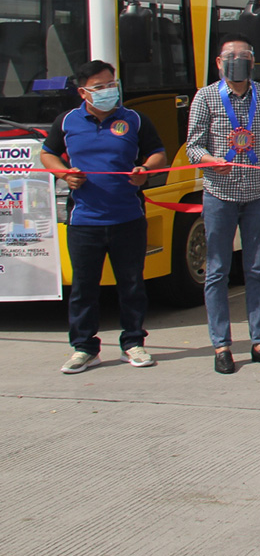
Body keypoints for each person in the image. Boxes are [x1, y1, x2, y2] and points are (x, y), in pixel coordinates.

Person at [39, 60, 169, 373]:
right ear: (84, 92)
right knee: (84, 288)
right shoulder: (67, 121)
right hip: (84, 221)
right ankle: (84, 348)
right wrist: (64, 174)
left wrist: (145, 170)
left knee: (132, 284)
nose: (109, 90)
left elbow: (158, 153)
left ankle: (133, 343)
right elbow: (47, 152)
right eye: (100, 87)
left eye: (112, 84)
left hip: (128, 218)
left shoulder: (134, 120)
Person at [184, 35, 260, 375]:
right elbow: (192, 146)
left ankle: (259, 341)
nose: (237, 61)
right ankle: (222, 345)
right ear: (219, 62)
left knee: (257, 269)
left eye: (243, 55)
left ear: (253, 60)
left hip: (258, 195)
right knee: (217, 271)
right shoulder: (205, 98)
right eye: (230, 56)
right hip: (220, 194)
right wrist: (209, 160)